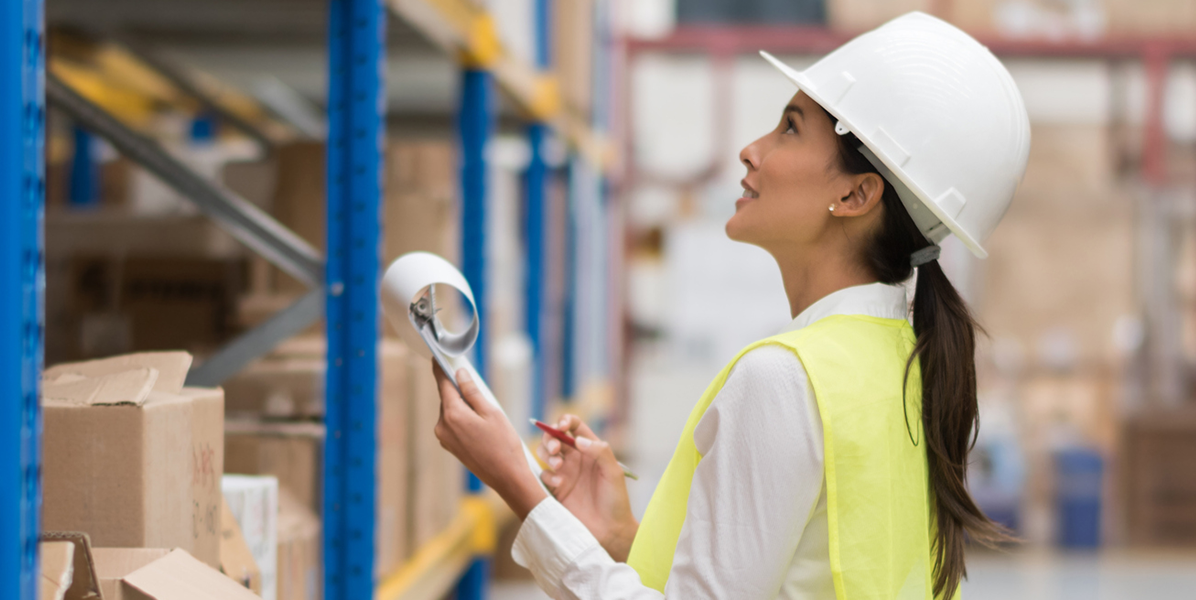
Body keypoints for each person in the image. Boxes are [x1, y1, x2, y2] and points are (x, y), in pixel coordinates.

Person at [428, 12, 1032, 600]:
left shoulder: (786, 381)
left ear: (855, 193)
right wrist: (618, 538)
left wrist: (515, 480)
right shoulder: (901, 362)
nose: (750, 149)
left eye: (790, 128)